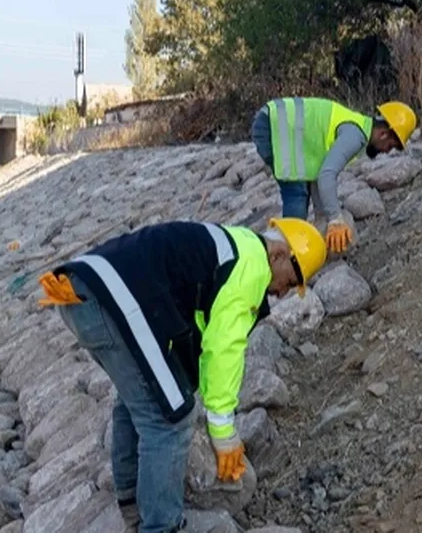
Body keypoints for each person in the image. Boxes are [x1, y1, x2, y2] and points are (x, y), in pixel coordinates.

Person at [36, 218, 328, 533]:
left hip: (85, 291)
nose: (284, 292)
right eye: (292, 279)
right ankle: (161, 526)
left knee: (143, 401)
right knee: (169, 418)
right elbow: (223, 347)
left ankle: (134, 507)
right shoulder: (252, 269)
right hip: (113, 299)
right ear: (279, 255)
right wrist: (223, 430)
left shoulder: (237, 245)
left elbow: (199, 326)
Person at [250, 97, 418, 253]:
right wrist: (335, 219)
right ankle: (283, 257)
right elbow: (326, 175)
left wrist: (322, 214)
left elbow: (317, 172)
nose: (386, 151)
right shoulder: (355, 136)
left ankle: (286, 254)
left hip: (275, 121)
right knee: (297, 193)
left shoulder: (355, 127)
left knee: (299, 191)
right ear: (384, 134)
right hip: (273, 125)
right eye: (390, 146)